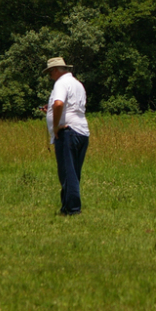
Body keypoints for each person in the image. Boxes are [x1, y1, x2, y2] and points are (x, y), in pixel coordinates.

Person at [44, 57, 90, 216]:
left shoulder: (61, 83)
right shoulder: (78, 84)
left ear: (56, 70)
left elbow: (59, 104)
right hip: (82, 131)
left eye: (50, 73)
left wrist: (56, 126)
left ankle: (72, 209)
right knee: (74, 172)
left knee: (67, 172)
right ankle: (67, 205)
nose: (50, 77)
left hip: (68, 132)